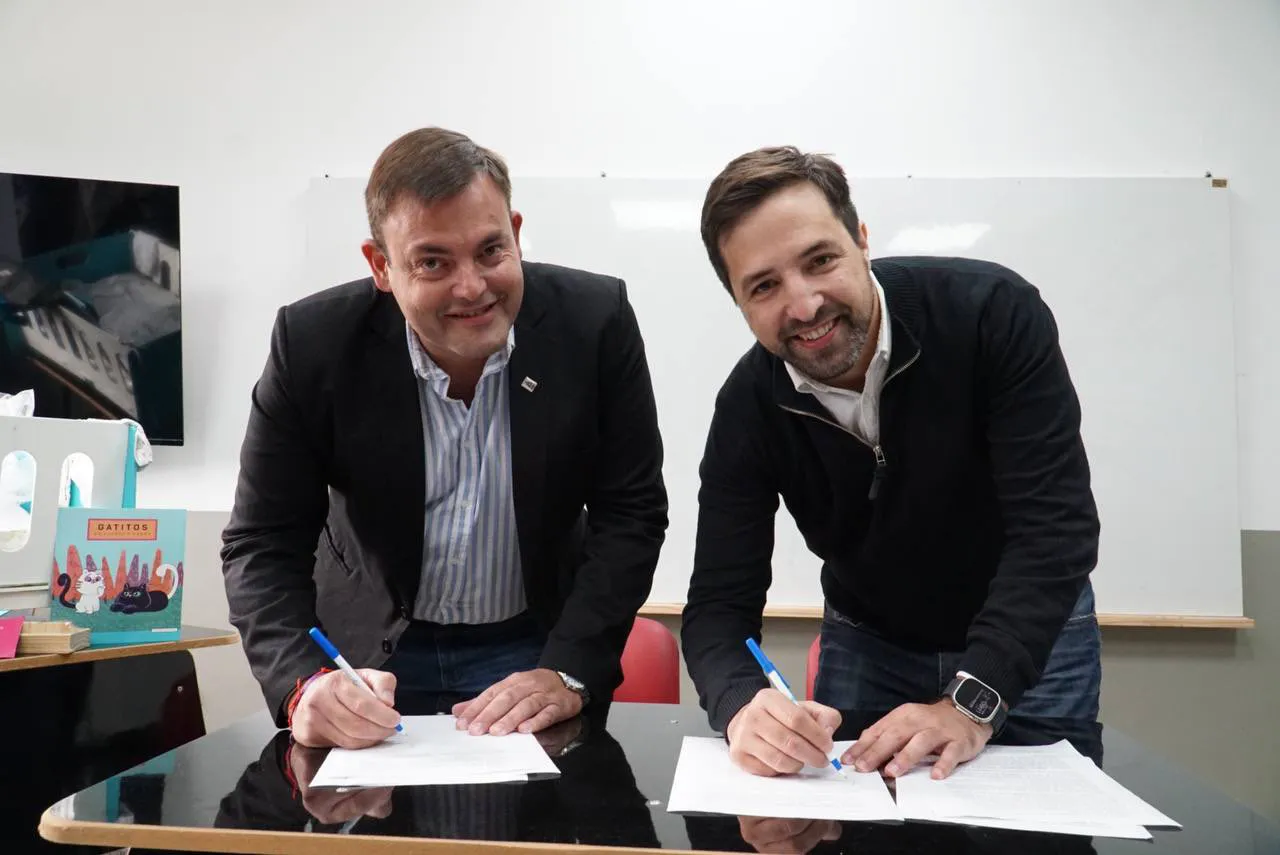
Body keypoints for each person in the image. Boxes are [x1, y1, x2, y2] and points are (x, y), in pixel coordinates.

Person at [221, 127, 668, 749]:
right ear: (381, 266)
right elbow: (262, 541)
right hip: (365, 660)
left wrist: (570, 667)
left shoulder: (596, 322)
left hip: (534, 649)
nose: (472, 287)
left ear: (516, 233)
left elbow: (631, 514)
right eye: (433, 262)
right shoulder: (313, 343)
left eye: (491, 250)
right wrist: (303, 682)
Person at [681, 146, 1101, 782]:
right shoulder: (749, 406)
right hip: (869, 643)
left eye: (820, 260)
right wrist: (742, 703)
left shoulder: (992, 313)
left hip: (1031, 638)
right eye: (764, 286)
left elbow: (1055, 532)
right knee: (857, 823)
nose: (804, 305)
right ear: (738, 302)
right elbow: (718, 603)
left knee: (1046, 819)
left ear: (861, 239)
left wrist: (972, 701)